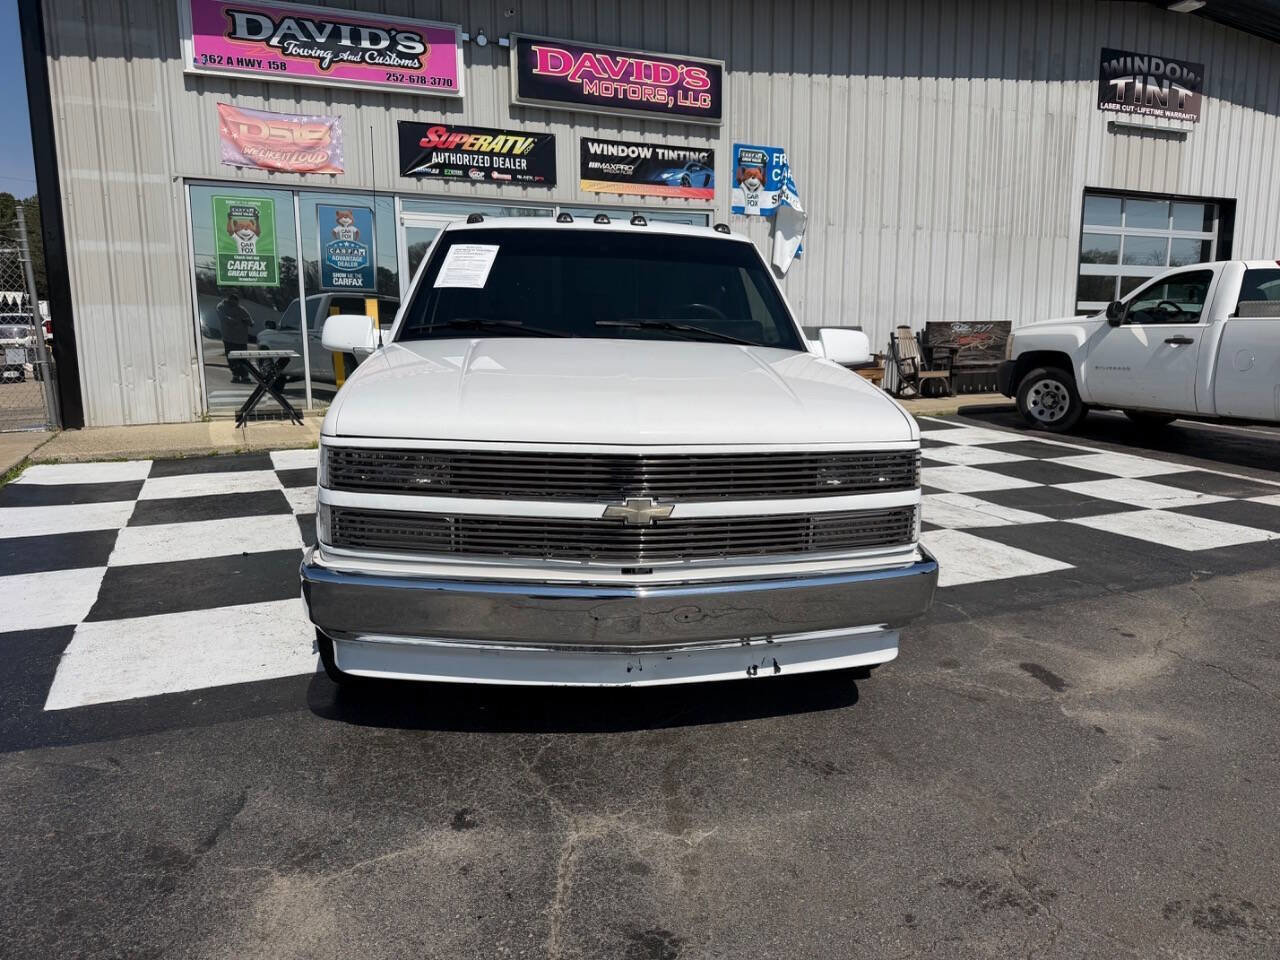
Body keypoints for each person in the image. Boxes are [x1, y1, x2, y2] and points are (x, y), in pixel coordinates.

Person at [217, 293, 253, 383]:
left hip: (241, 339)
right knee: (231, 358)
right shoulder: (221, 307)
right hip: (229, 338)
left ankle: (245, 375)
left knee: (243, 358)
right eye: (233, 303)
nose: (235, 305)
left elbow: (251, 322)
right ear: (229, 300)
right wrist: (238, 321)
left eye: (236, 303)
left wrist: (248, 322)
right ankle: (235, 375)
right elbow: (224, 319)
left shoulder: (241, 309)